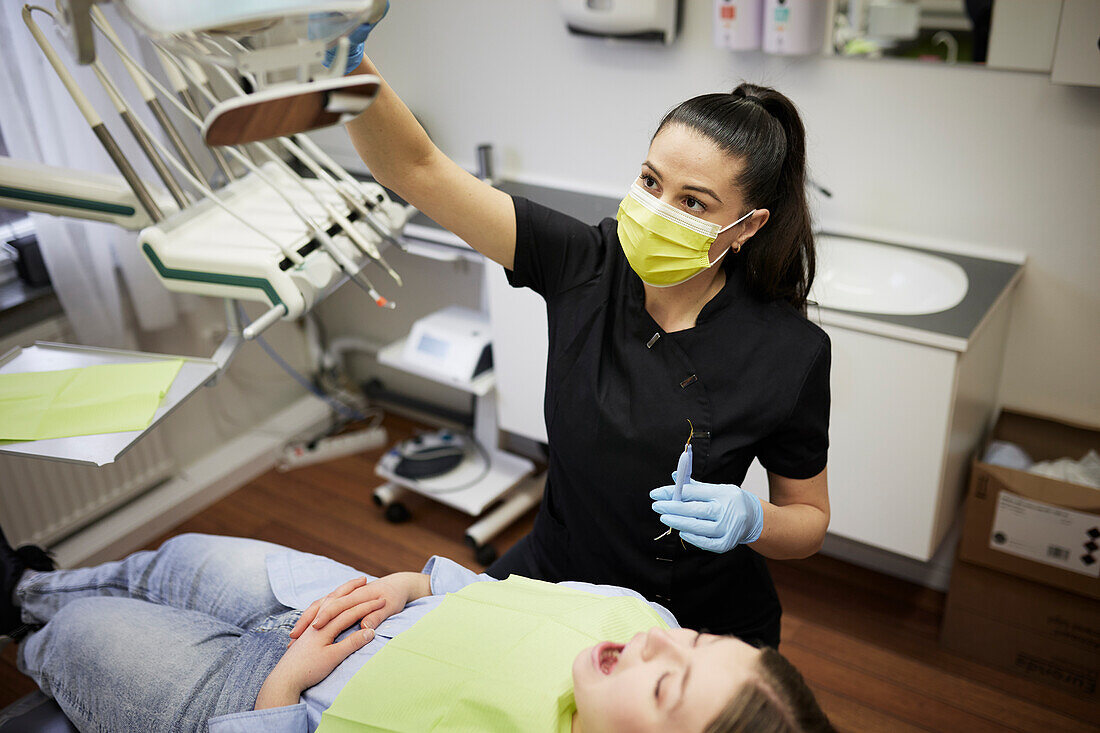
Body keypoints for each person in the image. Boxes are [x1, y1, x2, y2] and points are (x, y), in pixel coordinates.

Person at [342, 18, 831, 647]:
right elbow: (416, 168)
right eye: (651, 181)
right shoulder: (585, 264)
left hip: (692, 620)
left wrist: (753, 519)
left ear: (746, 226)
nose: (658, 209)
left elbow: (810, 522)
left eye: (694, 203)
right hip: (556, 573)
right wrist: (343, 59)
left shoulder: (787, 351)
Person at [1, 529, 835, 732]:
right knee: (173, 559)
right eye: (698, 639)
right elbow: (511, 593)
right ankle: (27, 585)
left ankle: (22, 623)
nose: (657, 644)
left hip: (258, 700)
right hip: (346, 599)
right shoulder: (641, 617)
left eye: (665, 685)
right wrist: (414, 580)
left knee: (79, 639)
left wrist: (281, 691)